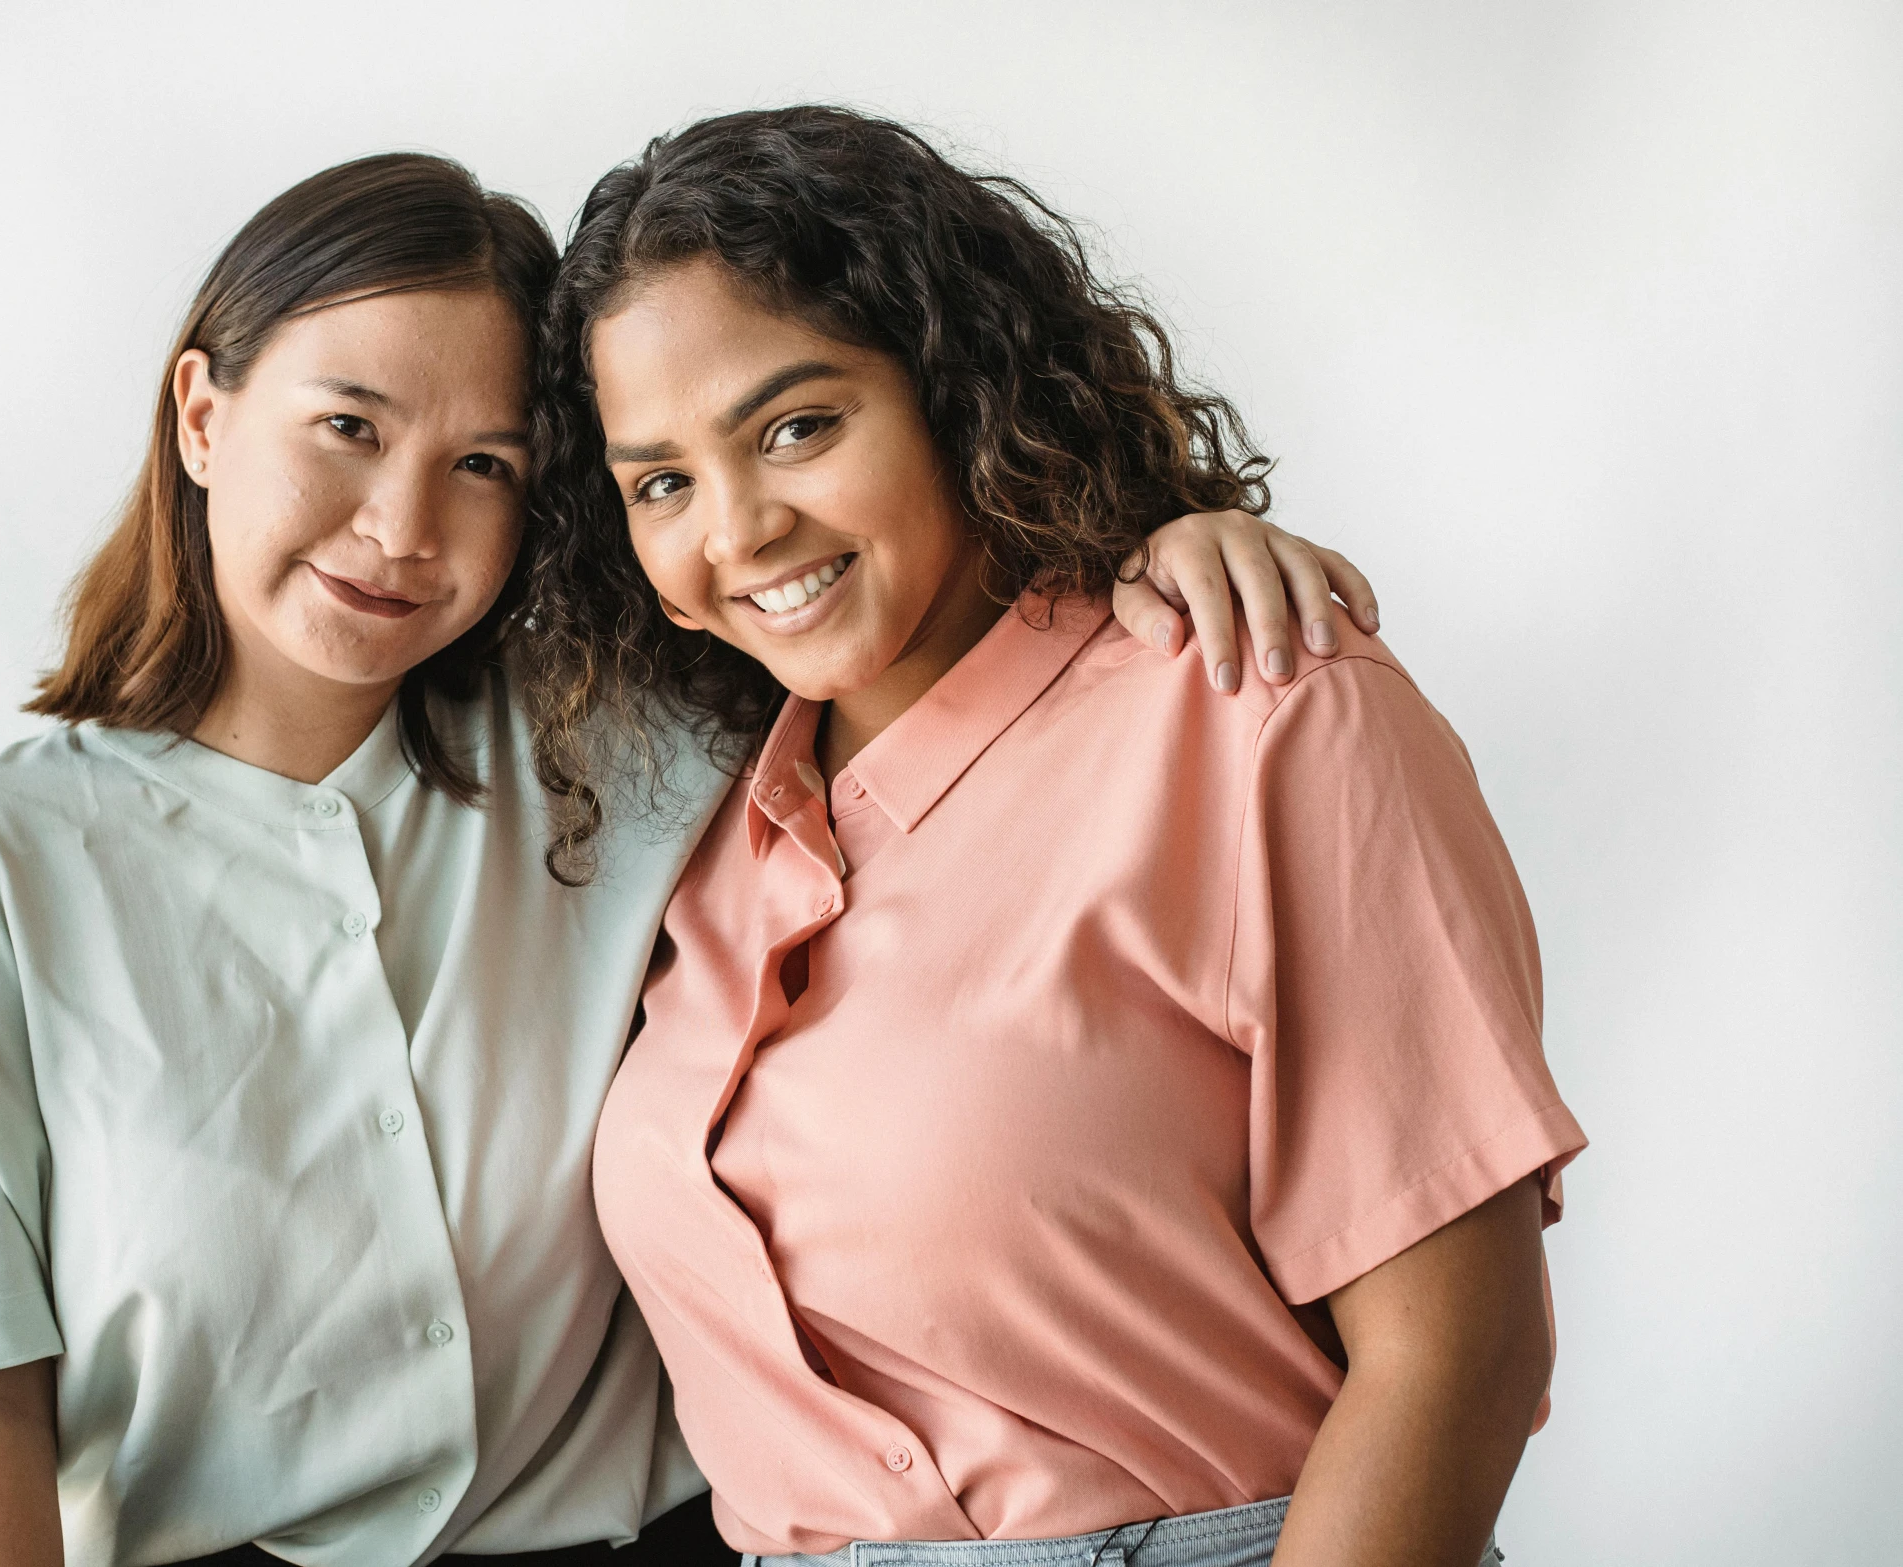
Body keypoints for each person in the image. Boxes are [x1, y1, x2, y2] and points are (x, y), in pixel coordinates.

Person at [0, 151, 1368, 1567]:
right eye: (347, 427)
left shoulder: (635, 746)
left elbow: (877, 594)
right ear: (202, 416)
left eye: (484, 464)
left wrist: (1158, 542)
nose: (401, 524)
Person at [524, 107, 1587, 1567]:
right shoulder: (691, 818)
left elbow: (1457, 1360)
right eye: (662, 481)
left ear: (955, 389)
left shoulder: (1252, 709)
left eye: (797, 427)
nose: (738, 527)